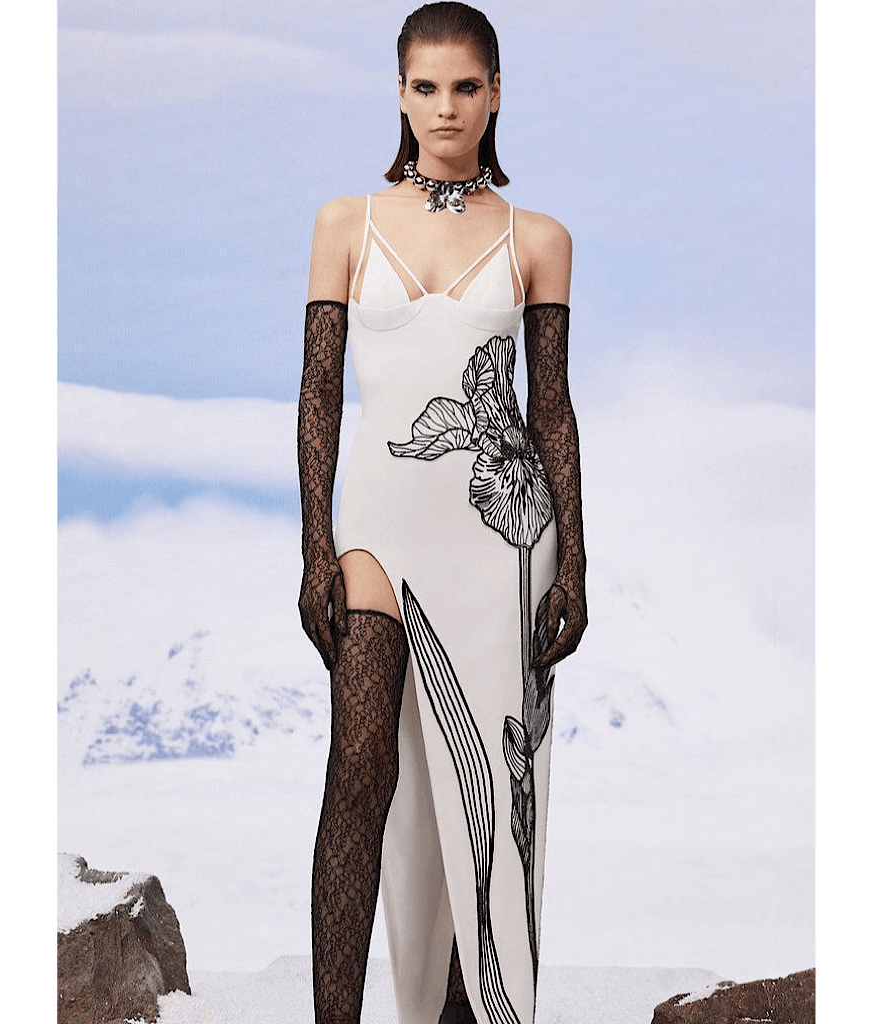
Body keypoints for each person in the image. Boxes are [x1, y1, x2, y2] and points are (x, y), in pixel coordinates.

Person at [297, 4, 587, 1021]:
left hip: (502, 538)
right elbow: (318, 392)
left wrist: (573, 562)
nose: (446, 107)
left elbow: (550, 408)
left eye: (465, 86)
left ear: (495, 93)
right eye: (425, 87)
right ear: (399, 93)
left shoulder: (537, 238)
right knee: (359, 771)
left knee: (490, 797)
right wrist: (313, 547)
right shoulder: (346, 223)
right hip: (374, 530)